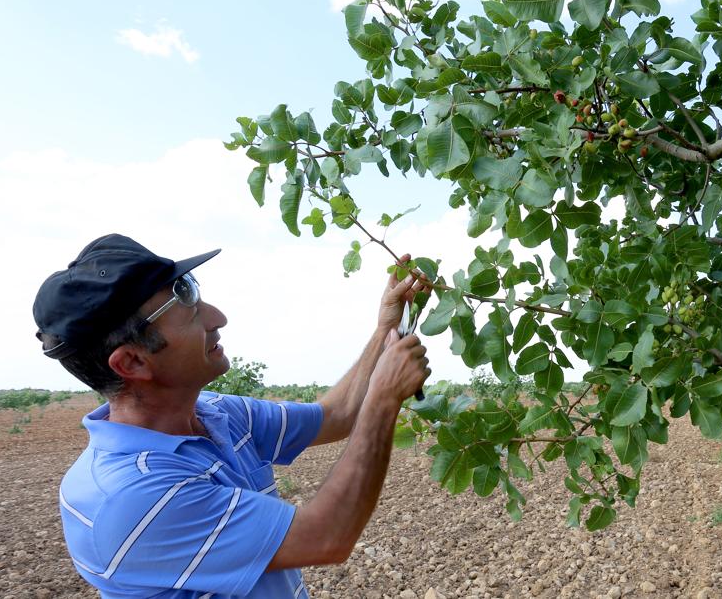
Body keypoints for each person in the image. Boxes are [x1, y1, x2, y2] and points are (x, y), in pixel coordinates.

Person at [32, 234, 431, 598]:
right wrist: (383, 398)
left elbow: (337, 414)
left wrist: (384, 330)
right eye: (185, 304)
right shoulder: (130, 496)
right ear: (133, 361)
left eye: (190, 290)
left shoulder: (218, 413)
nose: (216, 317)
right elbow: (327, 537)